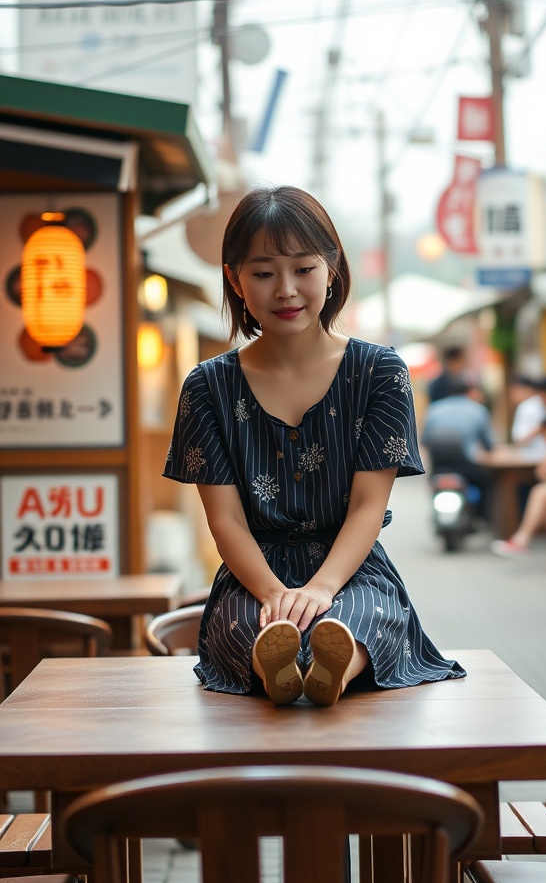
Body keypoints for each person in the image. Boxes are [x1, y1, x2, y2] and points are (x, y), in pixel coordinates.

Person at [163, 185, 466, 709]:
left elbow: (370, 505)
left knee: (359, 615)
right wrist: (273, 593)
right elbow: (226, 522)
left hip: (350, 564)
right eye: (263, 273)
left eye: (303, 269)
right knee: (246, 624)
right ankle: (277, 666)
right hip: (254, 569)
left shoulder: (381, 372)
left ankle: (331, 670)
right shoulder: (206, 387)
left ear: (332, 269)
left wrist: (322, 589)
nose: (286, 290)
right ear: (234, 279)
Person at [491, 415, 546, 567]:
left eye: (545, 433)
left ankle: (522, 539)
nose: (545, 438)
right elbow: (545, 475)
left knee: (540, 493)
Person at [421, 378, 495, 519]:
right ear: (469, 391)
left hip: (439, 464)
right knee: (486, 482)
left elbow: (425, 440)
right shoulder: (478, 410)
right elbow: (488, 444)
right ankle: (482, 516)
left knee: (432, 484)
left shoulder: (434, 409)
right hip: (467, 464)